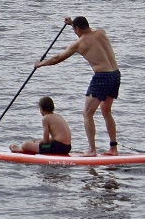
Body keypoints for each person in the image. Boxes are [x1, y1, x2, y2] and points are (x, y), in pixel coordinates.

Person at [34, 15, 121, 155]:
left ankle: (92, 150)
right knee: (106, 111)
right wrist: (72, 24)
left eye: (75, 30)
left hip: (102, 76)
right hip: (115, 74)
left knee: (87, 113)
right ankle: (113, 148)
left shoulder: (79, 43)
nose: (75, 33)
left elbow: (58, 58)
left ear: (78, 29)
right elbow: (86, 30)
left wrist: (41, 64)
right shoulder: (101, 32)